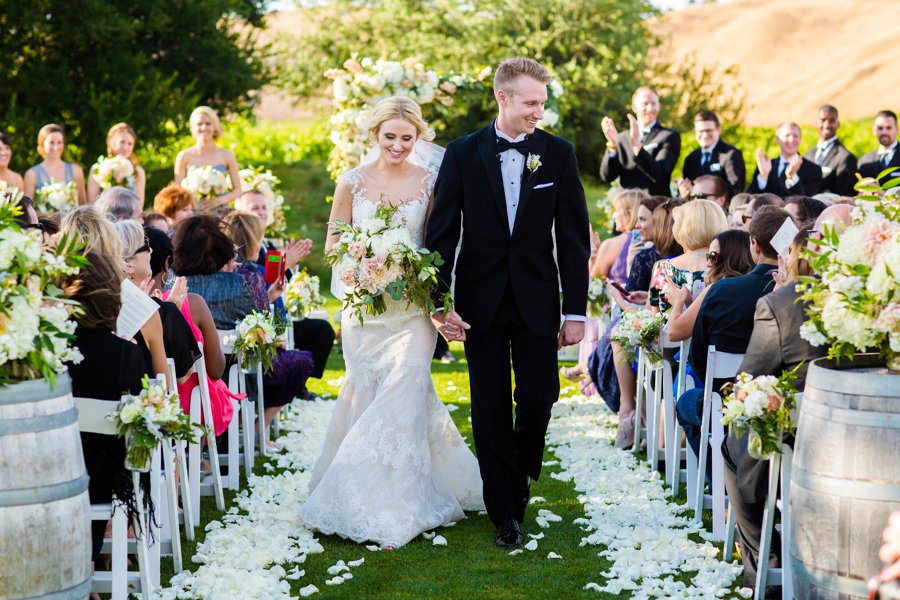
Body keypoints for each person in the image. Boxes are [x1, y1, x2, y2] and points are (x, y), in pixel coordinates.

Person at [298, 96, 484, 549]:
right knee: (366, 395)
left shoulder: (430, 182)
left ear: (418, 138)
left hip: (413, 311)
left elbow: (438, 245)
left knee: (405, 390)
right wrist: (359, 271)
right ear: (374, 135)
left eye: (407, 137)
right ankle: (355, 492)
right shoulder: (352, 182)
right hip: (365, 309)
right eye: (390, 136)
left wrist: (436, 303)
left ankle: (399, 510)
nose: (398, 145)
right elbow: (335, 243)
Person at [427, 57, 591, 548]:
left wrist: (576, 311)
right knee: (490, 406)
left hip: (539, 299)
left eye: (542, 102)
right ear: (503, 97)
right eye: (531, 103)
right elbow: (442, 235)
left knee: (540, 397)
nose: (539, 112)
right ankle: (505, 509)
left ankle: (516, 475)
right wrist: (440, 302)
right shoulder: (462, 153)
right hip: (480, 302)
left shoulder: (558, 154)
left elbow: (573, 239)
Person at [721, 226, 827, 594]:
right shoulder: (873, 300)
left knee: (735, 445)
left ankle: (763, 561)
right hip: (860, 439)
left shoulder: (782, 305)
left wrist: (784, 292)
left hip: (796, 442)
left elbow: (748, 380)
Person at [171, 215, 313, 448]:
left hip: (179, 379)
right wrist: (268, 300)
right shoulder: (239, 284)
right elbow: (259, 323)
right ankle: (251, 428)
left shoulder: (172, 285)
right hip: (228, 377)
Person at [675, 206, 787, 478]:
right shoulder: (796, 292)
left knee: (686, 402)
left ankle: (722, 481)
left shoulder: (722, 289)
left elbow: (699, 358)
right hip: (780, 403)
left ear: (754, 244)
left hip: (722, 402)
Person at [62, 250, 149, 565]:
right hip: (100, 476)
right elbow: (140, 418)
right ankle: (89, 561)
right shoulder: (126, 353)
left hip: (52, 466)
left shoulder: (50, 351)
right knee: (103, 460)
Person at [223, 208, 335, 397]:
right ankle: (264, 421)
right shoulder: (252, 276)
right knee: (300, 361)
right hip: (254, 358)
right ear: (252, 241)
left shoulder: (224, 271)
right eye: (259, 240)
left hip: (226, 358)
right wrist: (284, 267)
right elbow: (276, 319)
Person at [144, 225, 237, 437]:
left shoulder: (124, 305)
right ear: (168, 263)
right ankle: (198, 457)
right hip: (194, 408)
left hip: (145, 403)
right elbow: (215, 369)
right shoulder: (193, 303)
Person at [600, 86, 681, 196]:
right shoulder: (622, 138)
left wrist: (636, 144)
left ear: (659, 106)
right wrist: (613, 144)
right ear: (634, 107)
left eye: (654, 104)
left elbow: (659, 174)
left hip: (655, 206)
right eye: (645, 103)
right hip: (627, 206)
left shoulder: (669, 136)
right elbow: (607, 177)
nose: (650, 108)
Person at [174, 106, 241, 210]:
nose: (204, 128)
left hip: (221, 211)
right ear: (193, 128)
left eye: (208, 124)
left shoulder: (227, 155)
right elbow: (177, 190)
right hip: (194, 211)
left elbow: (238, 190)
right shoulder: (184, 156)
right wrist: (193, 203)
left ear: (215, 126)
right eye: (199, 124)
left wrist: (219, 201)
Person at [680, 111, 746, 197]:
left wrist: (699, 193)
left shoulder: (731, 155)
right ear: (695, 132)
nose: (705, 135)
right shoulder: (690, 159)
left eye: (708, 130)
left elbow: (736, 190)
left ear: (719, 129)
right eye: (700, 131)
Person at [748, 122, 823, 196]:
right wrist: (763, 176)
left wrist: (792, 177)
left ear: (800, 139)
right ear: (778, 139)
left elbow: (809, 202)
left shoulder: (813, 170)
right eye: (787, 135)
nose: (791, 140)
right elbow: (751, 197)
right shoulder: (765, 166)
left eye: (795, 136)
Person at [24, 123, 87, 206]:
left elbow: (83, 204)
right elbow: (28, 209)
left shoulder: (76, 170)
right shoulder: (32, 174)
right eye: (51, 143)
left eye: (59, 142)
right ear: (42, 144)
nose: (56, 147)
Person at [802, 105, 857, 197]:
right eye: (823, 120)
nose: (827, 125)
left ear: (838, 124)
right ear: (816, 123)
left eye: (831, 121)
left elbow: (843, 196)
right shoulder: (807, 155)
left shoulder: (846, 157)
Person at [87, 123, 147, 204]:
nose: (126, 147)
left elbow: (140, 204)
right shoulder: (98, 168)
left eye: (130, 144)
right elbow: (92, 202)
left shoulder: (138, 172)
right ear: (112, 143)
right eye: (122, 142)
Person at [858, 110, 900, 189]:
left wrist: (883, 194)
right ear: (874, 130)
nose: (884, 132)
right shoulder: (864, 161)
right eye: (880, 128)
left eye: (888, 128)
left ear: (897, 129)